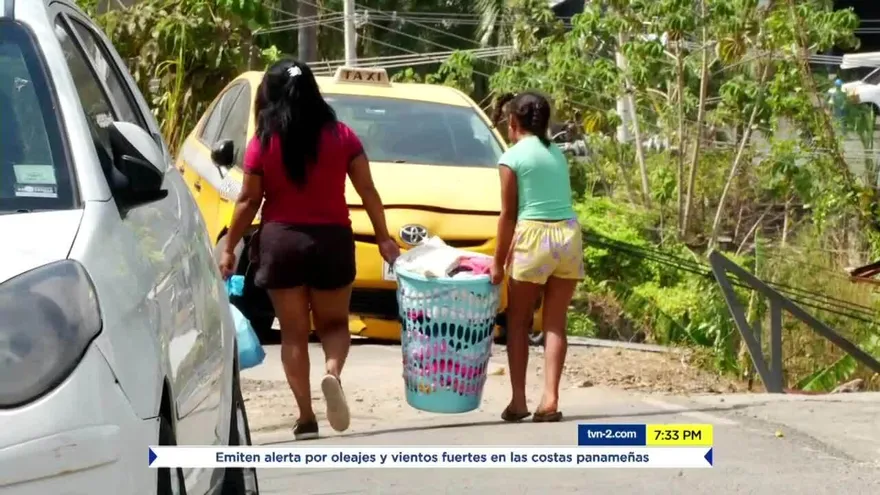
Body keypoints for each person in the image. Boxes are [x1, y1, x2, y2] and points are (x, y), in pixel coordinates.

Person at [218, 59, 400, 440]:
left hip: (281, 244)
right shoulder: (343, 136)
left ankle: (305, 416)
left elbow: (249, 201)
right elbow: (368, 190)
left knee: (293, 334)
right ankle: (332, 372)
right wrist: (383, 237)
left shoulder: (263, 142)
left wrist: (230, 247)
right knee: (334, 325)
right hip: (332, 242)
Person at [489, 91, 584, 423]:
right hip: (568, 236)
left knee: (518, 322)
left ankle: (518, 401)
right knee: (555, 323)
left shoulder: (511, 158)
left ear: (513, 121)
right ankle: (551, 398)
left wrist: (497, 263)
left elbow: (508, 216)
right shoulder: (556, 152)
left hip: (534, 237)